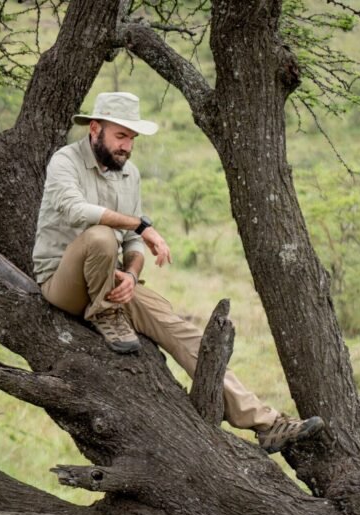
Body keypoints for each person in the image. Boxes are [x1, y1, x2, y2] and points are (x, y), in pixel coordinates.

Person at [32, 91, 324, 453]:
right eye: (120, 136)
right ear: (95, 129)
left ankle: (265, 422)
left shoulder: (129, 175)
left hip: (110, 281)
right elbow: (77, 211)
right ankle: (105, 315)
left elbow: (132, 245)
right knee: (101, 236)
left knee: (182, 332)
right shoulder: (65, 161)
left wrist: (132, 275)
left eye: (132, 139)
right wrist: (141, 225)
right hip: (63, 283)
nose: (127, 147)